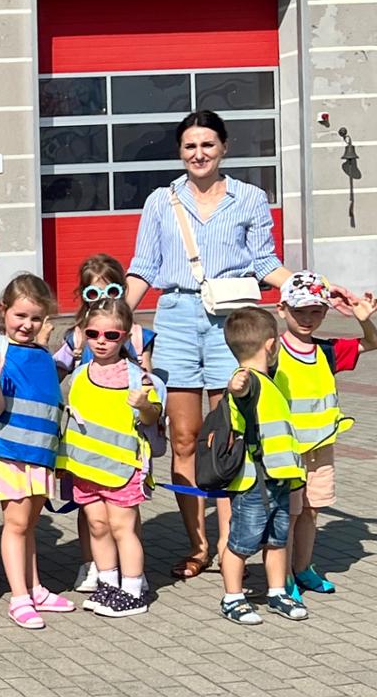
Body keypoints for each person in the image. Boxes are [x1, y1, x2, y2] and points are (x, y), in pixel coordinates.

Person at [123, 110, 339, 580]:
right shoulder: (160, 201)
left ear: (224, 147)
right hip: (177, 319)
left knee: (229, 436)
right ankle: (197, 545)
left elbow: (265, 263)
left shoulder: (250, 198)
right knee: (184, 437)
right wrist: (115, 319)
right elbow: (143, 266)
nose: (198, 154)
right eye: (189, 146)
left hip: (233, 324)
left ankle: (229, 542)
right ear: (180, 151)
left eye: (207, 144)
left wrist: (313, 288)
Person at [0, 236, 74, 630]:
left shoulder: (44, 354)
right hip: (11, 455)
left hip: (41, 455)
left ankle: (36, 587)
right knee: (15, 525)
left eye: (35, 318)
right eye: (20, 315)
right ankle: (20, 598)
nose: (26, 324)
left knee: (29, 525)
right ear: (4, 312)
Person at [272, 272, 375, 599]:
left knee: (311, 510)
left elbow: (371, 342)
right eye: (299, 311)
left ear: (325, 313)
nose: (307, 318)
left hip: (320, 450)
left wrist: (363, 320)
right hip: (285, 451)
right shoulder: (272, 352)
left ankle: (303, 568)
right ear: (282, 309)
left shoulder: (327, 351)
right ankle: (283, 577)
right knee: (288, 515)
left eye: (315, 311)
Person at [56, 298, 160, 618]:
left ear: (125, 337)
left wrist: (144, 405)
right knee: (97, 526)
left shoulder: (138, 378)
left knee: (122, 528)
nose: (101, 341)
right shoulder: (78, 375)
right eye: (93, 334)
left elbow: (152, 418)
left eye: (111, 335)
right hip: (85, 470)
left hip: (122, 470)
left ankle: (132, 590)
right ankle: (107, 583)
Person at [215, 307, 312, 625]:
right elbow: (239, 392)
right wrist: (237, 385)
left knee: (277, 539)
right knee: (241, 542)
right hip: (254, 481)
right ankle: (232, 597)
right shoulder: (251, 382)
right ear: (271, 345)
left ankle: (277, 592)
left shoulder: (269, 382)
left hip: (278, 478)